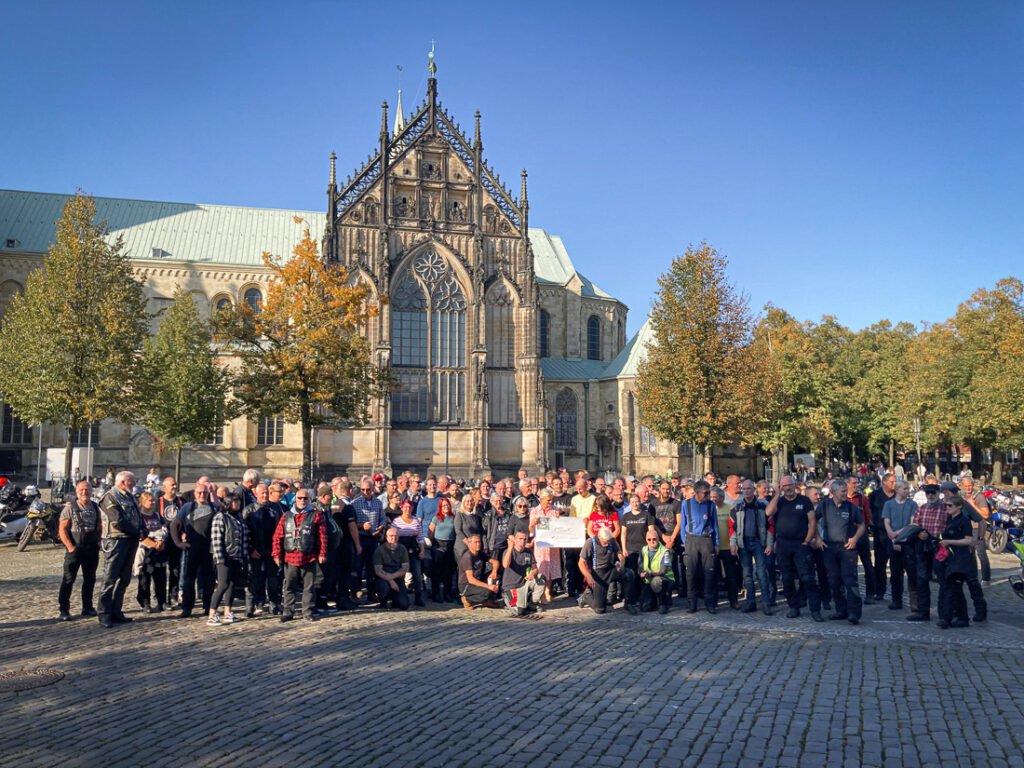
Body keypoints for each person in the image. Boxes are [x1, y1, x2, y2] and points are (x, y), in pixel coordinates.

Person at [767, 476, 823, 621]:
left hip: (800, 544)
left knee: (808, 578)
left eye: (790, 485)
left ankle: (815, 610)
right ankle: (793, 607)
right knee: (787, 579)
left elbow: (812, 522)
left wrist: (807, 541)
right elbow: (768, 512)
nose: (788, 488)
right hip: (783, 545)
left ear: (794, 485)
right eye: (784, 486)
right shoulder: (779, 501)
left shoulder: (804, 501)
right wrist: (777, 494)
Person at [814, 479, 866, 625]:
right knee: (834, 580)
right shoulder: (824, 505)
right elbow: (813, 521)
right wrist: (817, 538)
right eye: (842, 491)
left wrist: (855, 538)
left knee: (850, 580)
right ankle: (840, 610)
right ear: (833, 492)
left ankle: (854, 613)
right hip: (829, 547)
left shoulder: (851, 507)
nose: (845, 493)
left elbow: (862, 525)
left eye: (845, 490)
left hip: (847, 548)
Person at [272, 488, 327, 622]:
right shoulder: (286, 516)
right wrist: (276, 555)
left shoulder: (316, 515)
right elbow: (278, 536)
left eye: (305, 498)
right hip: (291, 557)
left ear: (309, 500)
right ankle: (288, 612)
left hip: (309, 556)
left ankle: (307, 611)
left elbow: (323, 537)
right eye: (300, 498)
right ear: (295, 499)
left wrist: (322, 553)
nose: (302, 501)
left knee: (309, 587)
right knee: (289, 586)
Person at [97, 471, 143, 628]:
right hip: (115, 541)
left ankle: (116, 611)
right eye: (132, 481)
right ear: (123, 482)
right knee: (110, 578)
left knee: (124, 579)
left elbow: (138, 515)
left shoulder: (129, 496)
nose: (135, 483)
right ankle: (104, 613)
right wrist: (136, 531)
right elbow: (117, 519)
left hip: (130, 540)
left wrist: (142, 529)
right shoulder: (110, 497)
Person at [936, 496, 985, 628]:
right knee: (954, 589)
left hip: (961, 559)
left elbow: (969, 540)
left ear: (959, 507)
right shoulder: (948, 520)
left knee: (953, 588)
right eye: (946, 505)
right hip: (950, 558)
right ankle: (961, 618)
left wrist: (949, 542)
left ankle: (948, 618)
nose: (947, 508)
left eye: (950, 506)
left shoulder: (963, 521)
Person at [57, 479, 102, 621]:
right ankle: (64, 609)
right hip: (75, 548)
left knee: (90, 579)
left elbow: (99, 526)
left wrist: (100, 541)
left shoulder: (95, 507)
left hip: (91, 548)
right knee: (69, 579)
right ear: (77, 492)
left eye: (87, 490)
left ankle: (87, 607)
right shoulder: (70, 508)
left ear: (91, 491)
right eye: (82, 490)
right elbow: (62, 529)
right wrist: (70, 547)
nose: (85, 492)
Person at [173, 481, 217, 618]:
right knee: (188, 579)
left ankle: (208, 606)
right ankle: (187, 607)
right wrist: (178, 543)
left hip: (209, 547)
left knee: (209, 579)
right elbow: (174, 524)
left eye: (204, 493)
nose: (202, 495)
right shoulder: (188, 507)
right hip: (192, 547)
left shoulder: (214, 507)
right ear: (195, 494)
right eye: (199, 493)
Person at [730, 479, 773, 615]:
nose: (746, 491)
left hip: (759, 542)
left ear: (754, 490)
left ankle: (766, 603)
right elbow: (732, 527)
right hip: (743, 543)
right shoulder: (736, 506)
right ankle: (751, 602)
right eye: (744, 489)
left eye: (749, 489)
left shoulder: (763, 505)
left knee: (761, 573)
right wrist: (733, 544)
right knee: (747, 575)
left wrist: (770, 543)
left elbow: (771, 525)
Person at [905, 484, 946, 622]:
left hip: (940, 547)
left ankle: (944, 613)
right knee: (922, 580)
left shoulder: (945, 509)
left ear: (938, 493)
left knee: (943, 581)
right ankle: (923, 612)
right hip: (924, 547)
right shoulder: (921, 509)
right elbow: (915, 526)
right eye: (928, 493)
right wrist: (919, 534)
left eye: (933, 493)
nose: (930, 495)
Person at [207, 492, 249, 626]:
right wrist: (219, 558)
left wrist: (244, 556)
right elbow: (216, 538)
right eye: (234, 501)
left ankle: (227, 612)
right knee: (223, 584)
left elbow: (243, 538)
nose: (237, 504)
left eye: (238, 501)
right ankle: (212, 614)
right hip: (224, 556)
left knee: (231, 585)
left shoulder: (238, 517)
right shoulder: (220, 517)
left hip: (236, 556)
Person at [578, 526, 637, 614]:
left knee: (629, 574)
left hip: (610, 569)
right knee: (600, 609)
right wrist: (589, 577)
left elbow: (620, 554)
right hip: (598, 573)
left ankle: (628, 602)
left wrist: (621, 563)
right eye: (606, 541)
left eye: (609, 540)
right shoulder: (590, 543)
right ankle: (586, 597)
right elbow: (581, 563)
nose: (608, 543)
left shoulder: (611, 540)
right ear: (599, 537)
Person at [242, 482, 281, 616]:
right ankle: (252, 606)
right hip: (255, 550)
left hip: (271, 549)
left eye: (266, 493)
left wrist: (278, 550)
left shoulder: (275, 509)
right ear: (256, 494)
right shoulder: (249, 510)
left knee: (273, 579)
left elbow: (279, 530)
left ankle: (274, 604)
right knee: (254, 579)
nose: (265, 495)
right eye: (262, 493)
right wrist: (251, 549)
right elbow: (245, 532)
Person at [680, 480, 719, 613]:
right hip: (691, 539)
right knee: (690, 573)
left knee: (709, 572)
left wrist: (716, 542)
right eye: (705, 493)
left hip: (706, 539)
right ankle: (692, 603)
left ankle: (710, 603)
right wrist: (684, 540)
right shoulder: (686, 504)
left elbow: (715, 524)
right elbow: (682, 524)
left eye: (708, 493)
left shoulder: (711, 505)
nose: (707, 495)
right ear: (697, 492)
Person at [881, 480, 917, 611]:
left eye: (908, 489)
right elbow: (886, 520)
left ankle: (915, 602)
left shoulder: (912, 504)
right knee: (895, 574)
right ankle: (896, 600)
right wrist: (890, 533)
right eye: (904, 489)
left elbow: (912, 524)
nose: (907, 491)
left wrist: (897, 534)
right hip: (893, 542)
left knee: (912, 573)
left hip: (907, 541)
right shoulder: (889, 504)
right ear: (897, 489)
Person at [352, 479, 386, 602]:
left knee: (372, 566)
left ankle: (372, 592)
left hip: (373, 538)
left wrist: (380, 528)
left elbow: (383, 519)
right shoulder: (355, 503)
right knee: (358, 565)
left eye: (368, 489)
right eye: (363, 490)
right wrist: (361, 526)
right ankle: (356, 591)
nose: (365, 492)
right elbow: (351, 522)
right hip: (361, 537)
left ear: (372, 489)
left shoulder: (377, 503)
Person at [136, 492, 170, 613]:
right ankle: (145, 602)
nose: (153, 503)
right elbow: (140, 534)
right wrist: (154, 543)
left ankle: (162, 601)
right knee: (145, 578)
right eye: (150, 501)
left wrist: (160, 540)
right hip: (146, 551)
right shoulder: (140, 516)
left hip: (159, 550)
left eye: (154, 500)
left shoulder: (157, 515)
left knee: (160, 577)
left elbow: (164, 529)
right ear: (143, 502)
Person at [845, 477, 878, 604]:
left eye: (857, 483)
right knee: (850, 565)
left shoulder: (862, 498)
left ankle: (870, 593)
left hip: (861, 533)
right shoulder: (842, 498)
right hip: (847, 534)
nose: (856, 485)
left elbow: (867, 516)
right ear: (847, 484)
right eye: (853, 483)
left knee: (867, 565)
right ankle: (853, 593)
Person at [390, 499, 426, 606]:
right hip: (400, 549)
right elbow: (392, 536)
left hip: (413, 549)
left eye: (409, 507)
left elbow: (420, 537)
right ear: (401, 508)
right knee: (399, 574)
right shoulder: (396, 521)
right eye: (405, 507)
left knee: (417, 574)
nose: (407, 509)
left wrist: (422, 550)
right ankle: (399, 596)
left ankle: (418, 597)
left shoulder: (416, 521)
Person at [529, 488, 562, 602]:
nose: (550, 503)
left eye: (551, 500)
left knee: (551, 568)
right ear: (541, 499)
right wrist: (533, 523)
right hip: (540, 545)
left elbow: (559, 527)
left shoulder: (554, 510)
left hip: (552, 545)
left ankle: (548, 591)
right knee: (541, 568)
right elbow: (530, 530)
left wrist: (558, 518)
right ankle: (541, 592)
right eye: (548, 500)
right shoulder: (534, 511)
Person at [501, 530, 544, 616]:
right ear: (515, 540)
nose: (522, 541)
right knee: (519, 612)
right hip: (511, 586)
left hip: (523, 584)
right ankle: (507, 598)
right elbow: (505, 565)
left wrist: (532, 574)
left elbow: (535, 569)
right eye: (520, 539)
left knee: (540, 578)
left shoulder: (529, 552)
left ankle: (533, 602)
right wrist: (510, 548)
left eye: (524, 539)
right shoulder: (509, 551)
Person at [868, 473, 896, 601]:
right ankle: (880, 590)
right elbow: (869, 511)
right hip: (880, 533)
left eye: (895, 481)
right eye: (891, 481)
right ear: (884, 482)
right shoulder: (875, 495)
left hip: (896, 533)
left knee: (896, 565)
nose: (894, 484)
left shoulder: (898, 495)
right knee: (880, 564)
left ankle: (896, 593)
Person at [711, 487, 740, 610]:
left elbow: (734, 527)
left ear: (722, 498)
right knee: (713, 576)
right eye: (710, 497)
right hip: (713, 548)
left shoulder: (729, 508)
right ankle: (714, 601)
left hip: (728, 547)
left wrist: (735, 544)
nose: (712, 499)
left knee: (731, 575)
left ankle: (733, 600)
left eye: (715, 497)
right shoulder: (708, 509)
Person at [960, 477, 992, 585]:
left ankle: (986, 578)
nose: (968, 488)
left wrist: (973, 505)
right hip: (966, 528)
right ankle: (971, 577)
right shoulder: (962, 497)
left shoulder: (979, 497)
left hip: (978, 527)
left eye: (970, 485)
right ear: (962, 486)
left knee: (981, 553)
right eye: (966, 485)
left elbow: (986, 514)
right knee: (969, 554)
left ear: (973, 485)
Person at [157, 477, 183, 607]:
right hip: (163, 540)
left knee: (175, 570)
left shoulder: (181, 502)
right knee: (160, 570)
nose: (174, 486)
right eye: (171, 485)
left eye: (175, 484)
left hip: (176, 541)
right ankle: (161, 599)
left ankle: (173, 595)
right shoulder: (158, 502)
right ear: (165, 486)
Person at [638, 529, 677, 614]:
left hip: (665, 580)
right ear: (646, 540)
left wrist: (649, 573)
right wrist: (641, 573)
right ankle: (655, 600)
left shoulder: (664, 551)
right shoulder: (643, 550)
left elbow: (662, 571)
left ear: (658, 539)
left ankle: (662, 604)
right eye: (649, 539)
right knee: (645, 607)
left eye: (654, 539)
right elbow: (640, 566)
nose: (652, 541)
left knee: (656, 581)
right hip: (649, 580)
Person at [427, 497, 457, 602]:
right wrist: (434, 543)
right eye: (444, 505)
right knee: (437, 571)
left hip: (450, 545)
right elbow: (430, 532)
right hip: (438, 545)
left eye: (447, 505)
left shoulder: (453, 517)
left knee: (448, 571)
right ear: (440, 507)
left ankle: (447, 593)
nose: (446, 507)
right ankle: (436, 594)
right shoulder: (436, 517)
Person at [373, 527, 411, 610]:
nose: (393, 538)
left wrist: (392, 577)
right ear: (386, 537)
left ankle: (395, 599)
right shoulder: (379, 550)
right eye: (391, 536)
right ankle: (383, 601)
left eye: (396, 536)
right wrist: (390, 580)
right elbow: (378, 570)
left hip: (398, 579)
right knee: (383, 587)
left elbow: (405, 568)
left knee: (404, 605)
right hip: (383, 579)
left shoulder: (402, 548)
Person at [459, 533, 499, 609]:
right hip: (466, 585)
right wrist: (489, 586)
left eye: (479, 542)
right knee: (486, 592)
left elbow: (495, 562)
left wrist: (494, 572)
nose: (478, 544)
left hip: (478, 579)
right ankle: (468, 600)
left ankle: (488, 600)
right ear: (469, 544)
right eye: (475, 542)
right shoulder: (467, 557)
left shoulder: (480, 553)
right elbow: (471, 579)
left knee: (498, 576)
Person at [453, 492, 484, 566]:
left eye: (471, 501)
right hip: (462, 547)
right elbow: (458, 531)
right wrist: (468, 543)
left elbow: (480, 532)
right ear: (463, 503)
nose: (469, 503)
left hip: (474, 547)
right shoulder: (459, 515)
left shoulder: (476, 517)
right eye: (467, 501)